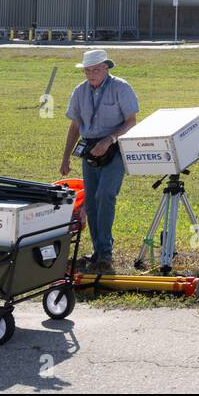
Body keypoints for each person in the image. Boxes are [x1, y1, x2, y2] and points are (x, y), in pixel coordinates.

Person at [60, 48, 139, 274]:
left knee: (105, 195)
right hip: (89, 150)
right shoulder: (79, 92)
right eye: (87, 70)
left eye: (96, 70)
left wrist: (109, 139)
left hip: (114, 149)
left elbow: (131, 122)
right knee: (91, 203)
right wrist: (66, 157)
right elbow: (75, 125)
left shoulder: (121, 88)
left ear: (106, 68)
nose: (91, 74)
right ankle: (98, 253)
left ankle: (105, 253)